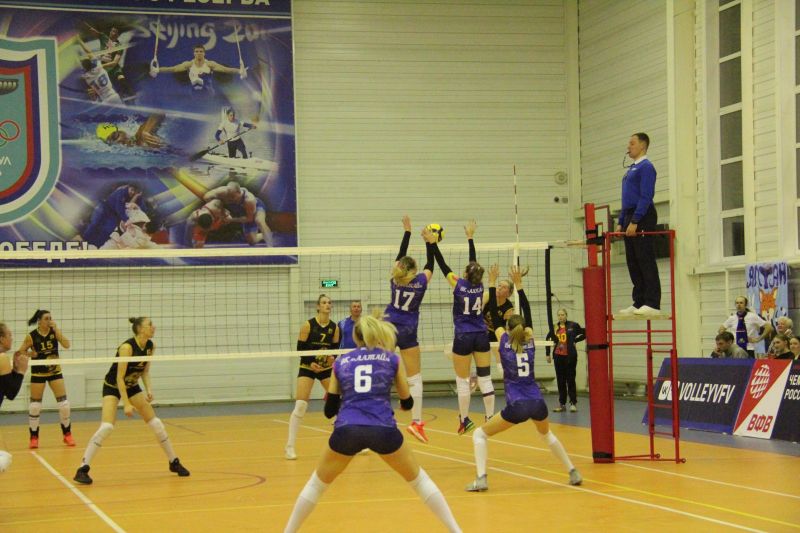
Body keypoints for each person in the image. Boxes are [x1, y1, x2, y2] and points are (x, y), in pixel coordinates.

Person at [283, 314, 461, 533]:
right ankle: (456, 531)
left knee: (316, 485)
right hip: (383, 430)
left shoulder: (341, 362)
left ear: (355, 337)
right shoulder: (392, 359)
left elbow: (329, 411)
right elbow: (407, 402)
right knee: (420, 481)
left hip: (347, 430)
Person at [466, 266, 582, 492]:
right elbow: (526, 310)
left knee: (480, 434)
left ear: (507, 329)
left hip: (517, 404)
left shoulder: (503, 341)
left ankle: (481, 478)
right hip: (537, 402)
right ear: (524, 329)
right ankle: (572, 471)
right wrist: (519, 285)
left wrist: (492, 282)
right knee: (546, 435)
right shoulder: (530, 341)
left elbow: (493, 313)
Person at [73, 317, 190, 484]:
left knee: (156, 423)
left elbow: (145, 372)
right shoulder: (127, 348)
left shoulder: (150, 346)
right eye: (150, 324)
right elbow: (119, 378)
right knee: (107, 427)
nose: (154, 327)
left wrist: (149, 390)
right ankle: (82, 469)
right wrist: (126, 404)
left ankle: (174, 462)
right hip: (113, 386)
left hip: (132, 386)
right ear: (140, 329)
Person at [430, 220, 494, 434]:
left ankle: (465, 420)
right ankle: (490, 417)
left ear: (465, 274)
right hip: (481, 335)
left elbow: (442, 264)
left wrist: (432, 244)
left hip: (464, 336)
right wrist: (470, 238)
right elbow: (473, 263)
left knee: (463, 380)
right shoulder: (480, 286)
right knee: (485, 378)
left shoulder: (458, 284)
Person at [383, 216, 435, 443]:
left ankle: (381, 416)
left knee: (382, 370)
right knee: (415, 377)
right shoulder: (420, 282)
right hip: (409, 329)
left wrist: (407, 232)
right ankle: (416, 422)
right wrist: (430, 242)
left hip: (389, 326)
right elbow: (430, 265)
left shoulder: (395, 279)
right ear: (413, 270)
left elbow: (400, 256)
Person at [285, 294, 340, 460]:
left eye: (329, 302)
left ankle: (349, 442)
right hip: (308, 367)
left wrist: (332, 358)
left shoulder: (335, 328)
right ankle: (289, 447)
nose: (327, 305)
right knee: (301, 405)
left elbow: (335, 351)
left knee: (338, 403)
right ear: (318, 306)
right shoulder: (308, 325)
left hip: (325, 368)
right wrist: (312, 363)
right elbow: (300, 350)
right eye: (324, 302)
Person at [616, 132, 661, 317]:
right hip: (629, 215)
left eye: (632, 143)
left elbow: (646, 195)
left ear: (642, 145)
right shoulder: (631, 170)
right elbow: (625, 199)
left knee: (644, 259)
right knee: (632, 261)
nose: (629, 147)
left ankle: (652, 302)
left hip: (642, 215)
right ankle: (639, 300)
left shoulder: (646, 167)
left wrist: (636, 220)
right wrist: (621, 221)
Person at [15, 310, 74, 448]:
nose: (49, 321)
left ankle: (67, 434)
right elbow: (20, 352)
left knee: (64, 405)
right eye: (46, 318)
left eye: (50, 318)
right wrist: (31, 354)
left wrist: (57, 329)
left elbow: (67, 345)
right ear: (39, 321)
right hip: (38, 372)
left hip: (54, 371)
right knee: (35, 406)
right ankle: (34, 437)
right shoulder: (31, 336)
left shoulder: (54, 332)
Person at [150, 44, 245, 96]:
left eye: (201, 51)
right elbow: (173, 69)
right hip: (194, 93)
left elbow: (225, 69)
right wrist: (157, 70)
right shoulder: (189, 64)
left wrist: (239, 71)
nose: (199, 53)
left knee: (202, 80)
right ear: (194, 53)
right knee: (196, 83)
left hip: (208, 93)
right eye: (197, 51)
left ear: (204, 53)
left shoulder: (210, 64)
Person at [203, 182, 272, 246]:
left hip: (255, 208)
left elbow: (249, 219)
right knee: (252, 241)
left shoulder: (249, 200)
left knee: (259, 221)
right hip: (242, 212)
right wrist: (221, 209)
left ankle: (271, 245)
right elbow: (206, 197)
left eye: (233, 197)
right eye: (228, 196)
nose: (230, 199)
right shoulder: (222, 192)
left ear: (239, 192)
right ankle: (266, 234)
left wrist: (231, 220)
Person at [0, 322, 28, 473]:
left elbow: (5, 385)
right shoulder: (2, 357)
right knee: (4, 460)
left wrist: (15, 371)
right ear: (1, 338)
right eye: (9, 335)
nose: (12, 338)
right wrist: (22, 371)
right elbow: (11, 393)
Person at [545, 308, 586, 412]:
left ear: (566, 315)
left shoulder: (573, 325)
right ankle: (562, 404)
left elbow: (585, 333)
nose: (560, 317)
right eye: (559, 315)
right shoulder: (555, 327)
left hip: (570, 357)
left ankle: (573, 403)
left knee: (570, 380)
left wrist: (575, 340)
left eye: (562, 314)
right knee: (560, 381)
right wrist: (547, 354)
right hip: (558, 356)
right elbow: (547, 339)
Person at [76, 35, 123, 105]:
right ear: (91, 63)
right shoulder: (98, 65)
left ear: (85, 68)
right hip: (114, 96)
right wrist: (79, 40)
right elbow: (89, 52)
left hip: (105, 101)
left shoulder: (87, 78)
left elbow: (81, 75)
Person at [99, 113, 166, 149]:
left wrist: (146, 131)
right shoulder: (137, 147)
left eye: (116, 136)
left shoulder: (140, 135)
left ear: (122, 132)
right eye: (114, 140)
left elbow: (159, 112)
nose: (119, 141)